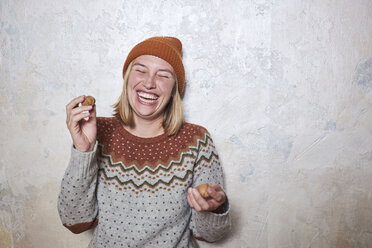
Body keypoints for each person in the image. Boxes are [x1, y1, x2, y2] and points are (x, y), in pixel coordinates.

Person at [58, 36, 231, 247]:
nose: (149, 83)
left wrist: (214, 208)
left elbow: (210, 235)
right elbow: (75, 221)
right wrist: (83, 151)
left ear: (175, 89)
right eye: (140, 70)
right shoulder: (98, 131)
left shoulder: (196, 140)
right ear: (127, 77)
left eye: (163, 75)